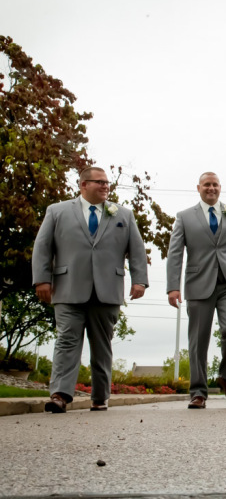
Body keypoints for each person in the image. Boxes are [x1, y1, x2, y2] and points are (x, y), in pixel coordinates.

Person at [32, 166, 148, 413]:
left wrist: (140, 281)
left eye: (107, 183)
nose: (106, 186)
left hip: (107, 290)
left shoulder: (123, 215)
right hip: (68, 287)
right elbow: (43, 247)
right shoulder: (57, 211)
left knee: (102, 345)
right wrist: (42, 279)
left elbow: (136, 250)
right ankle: (60, 395)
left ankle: (99, 396)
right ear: (83, 185)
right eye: (100, 182)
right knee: (66, 340)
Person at [166, 172, 226, 409]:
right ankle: (198, 392)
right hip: (198, 285)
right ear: (199, 188)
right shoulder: (184, 217)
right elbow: (175, 254)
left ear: (220, 188)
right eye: (207, 185)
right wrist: (173, 287)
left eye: (215, 185)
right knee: (198, 341)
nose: (211, 188)